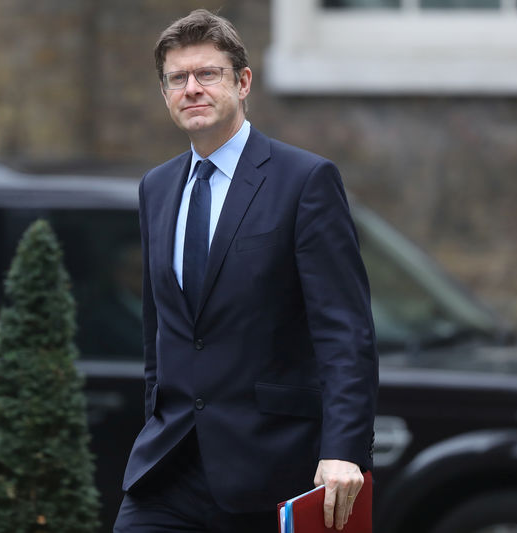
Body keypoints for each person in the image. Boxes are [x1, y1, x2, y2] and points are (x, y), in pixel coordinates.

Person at [115, 9, 378, 533]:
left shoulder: (304, 181)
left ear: (242, 81)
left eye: (207, 74)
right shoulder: (156, 188)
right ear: (164, 93)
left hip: (271, 471)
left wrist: (344, 450)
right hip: (167, 469)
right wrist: (155, 417)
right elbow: (160, 331)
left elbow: (344, 332)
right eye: (176, 78)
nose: (191, 88)